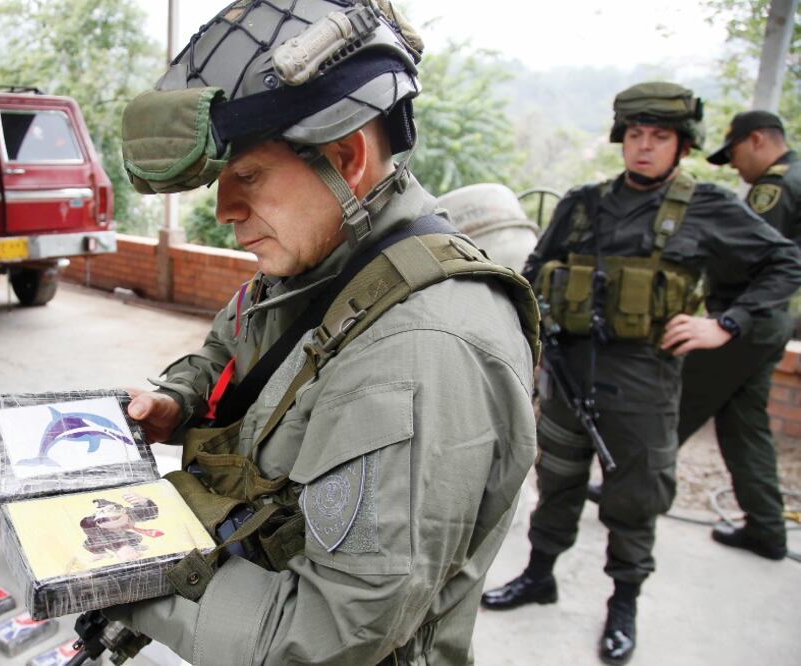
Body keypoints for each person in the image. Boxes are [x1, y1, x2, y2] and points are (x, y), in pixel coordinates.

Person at [102, 1, 539, 663]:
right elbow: (234, 348)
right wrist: (179, 399)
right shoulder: (316, 262)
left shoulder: (419, 352)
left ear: (348, 155)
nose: (224, 212)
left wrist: (115, 566)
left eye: (246, 176)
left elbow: (324, 636)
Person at [480, 82, 801, 665]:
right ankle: (539, 575)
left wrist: (726, 322)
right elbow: (534, 272)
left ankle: (622, 602)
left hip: (643, 378)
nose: (644, 147)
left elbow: (785, 261)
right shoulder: (582, 203)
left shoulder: (707, 206)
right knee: (557, 484)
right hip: (569, 373)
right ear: (621, 140)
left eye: (659, 137)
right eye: (635, 135)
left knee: (634, 497)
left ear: (681, 145)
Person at [674, 110, 801, 560]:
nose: (733, 165)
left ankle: (630, 495)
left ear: (759, 140)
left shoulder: (776, 188)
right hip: (767, 324)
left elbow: (761, 258)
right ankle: (766, 528)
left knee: (671, 408)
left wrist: (722, 318)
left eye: (735, 153)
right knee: (743, 428)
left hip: (741, 324)